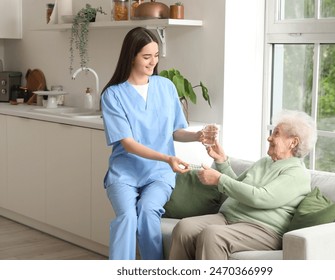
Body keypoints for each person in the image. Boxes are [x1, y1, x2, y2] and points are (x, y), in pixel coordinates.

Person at [100, 27, 204, 260]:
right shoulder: (113, 95)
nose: (153, 62)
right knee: (127, 217)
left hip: (158, 175)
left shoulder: (165, 87)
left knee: (148, 213)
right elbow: (128, 143)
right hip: (124, 173)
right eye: (146, 57)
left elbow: (176, 131)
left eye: (156, 56)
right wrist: (167, 158)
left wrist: (197, 136)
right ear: (132, 56)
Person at [169, 110, 317, 260]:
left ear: (293, 142)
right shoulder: (264, 162)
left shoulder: (297, 173)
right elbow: (237, 187)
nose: (269, 137)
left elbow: (261, 197)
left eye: (276, 133)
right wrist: (222, 161)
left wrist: (219, 179)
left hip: (263, 229)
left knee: (212, 235)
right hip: (229, 218)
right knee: (184, 228)